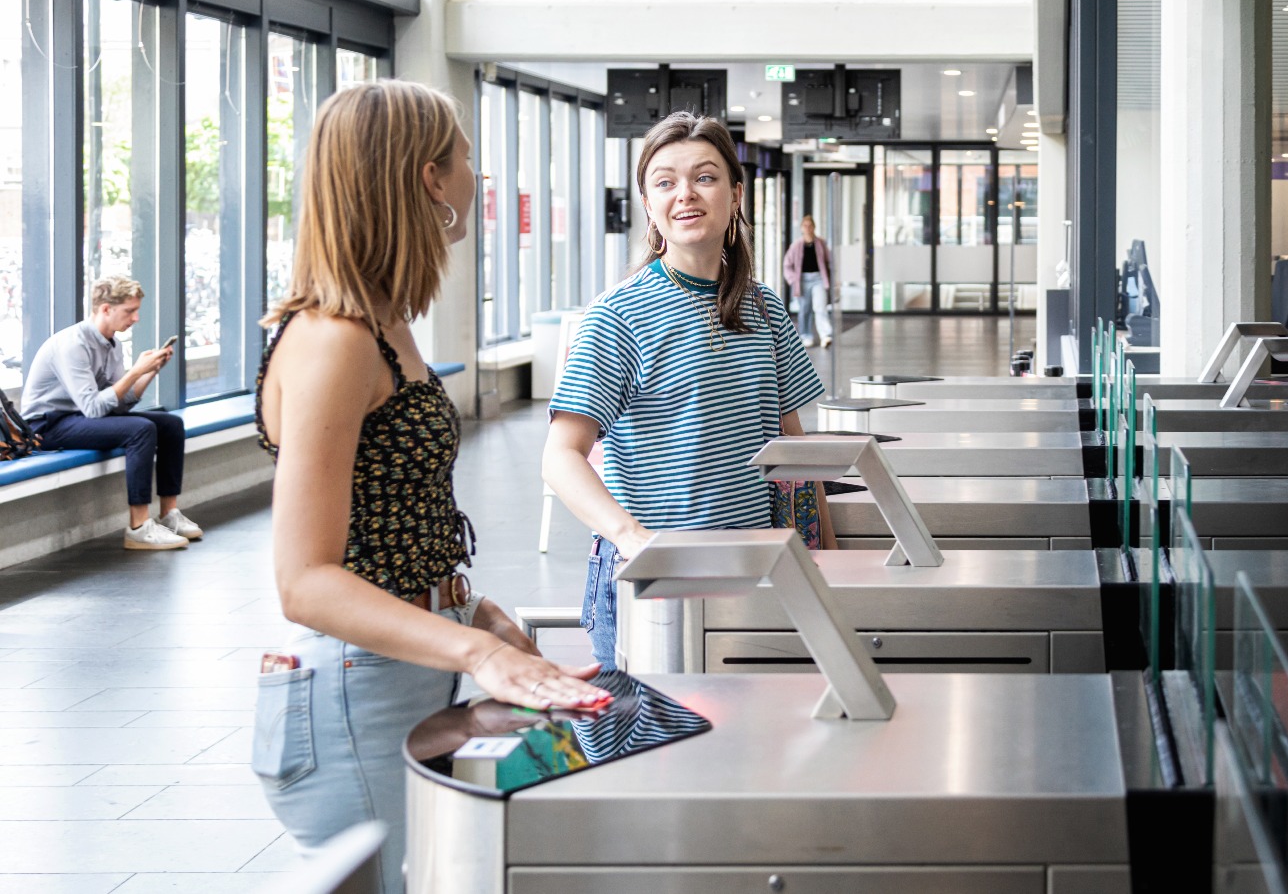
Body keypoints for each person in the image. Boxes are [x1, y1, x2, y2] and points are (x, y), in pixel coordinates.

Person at [251, 80, 608, 894]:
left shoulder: (385, 323)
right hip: (353, 692)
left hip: (407, 663)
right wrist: (476, 649)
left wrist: (470, 609)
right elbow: (304, 581)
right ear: (424, 178)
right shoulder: (335, 340)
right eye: (466, 161)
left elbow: (393, 519)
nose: (475, 181)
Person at [543, 112, 836, 668]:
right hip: (656, 578)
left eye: (704, 177)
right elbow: (561, 456)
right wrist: (632, 538)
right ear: (648, 203)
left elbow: (794, 449)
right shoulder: (617, 315)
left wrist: (827, 566)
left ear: (736, 195)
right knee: (656, 750)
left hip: (754, 570)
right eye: (665, 182)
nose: (686, 195)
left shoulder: (765, 306)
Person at [21, 275, 200, 550]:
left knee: (171, 425)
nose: (136, 318)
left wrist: (149, 372)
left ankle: (168, 514)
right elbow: (93, 408)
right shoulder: (73, 345)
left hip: (79, 418)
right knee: (141, 430)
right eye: (129, 311)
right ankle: (139, 526)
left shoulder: (112, 344)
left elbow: (119, 402)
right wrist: (135, 372)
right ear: (105, 309)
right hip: (47, 425)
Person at [782, 215, 835, 348]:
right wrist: (793, 280)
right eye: (805, 225)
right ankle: (805, 335)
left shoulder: (821, 243)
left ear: (814, 227)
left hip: (818, 279)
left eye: (810, 225)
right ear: (801, 228)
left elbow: (830, 261)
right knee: (805, 309)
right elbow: (787, 264)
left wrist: (832, 278)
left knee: (820, 307)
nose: (808, 228)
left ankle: (825, 335)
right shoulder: (796, 245)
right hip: (802, 280)